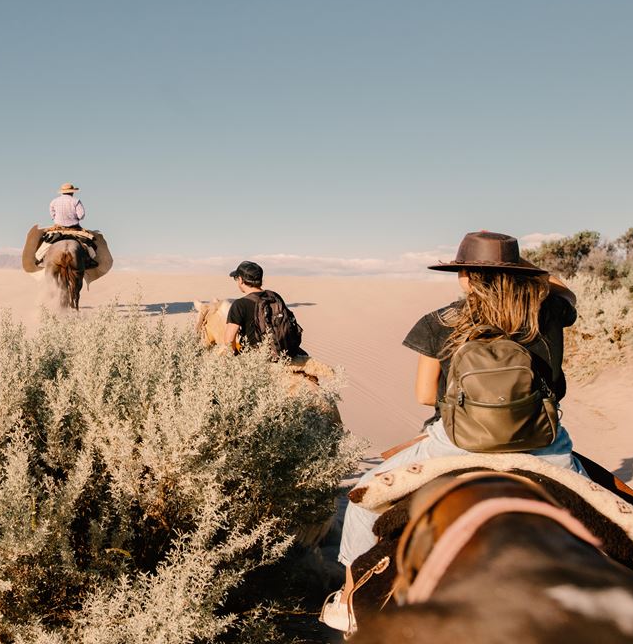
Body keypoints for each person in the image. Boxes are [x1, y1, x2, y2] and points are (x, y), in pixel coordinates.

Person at [320, 230, 586, 633]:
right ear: (516, 271)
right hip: (542, 442)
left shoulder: (440, 320)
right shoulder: (547, 311)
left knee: (362, 500)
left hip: (455, 443)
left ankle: (348, 601)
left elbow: (425, 395)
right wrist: (527, 273)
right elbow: (567, 291)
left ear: (465, 275)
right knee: (600, 509)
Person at [223, 260, 307, 357]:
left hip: (256, 358)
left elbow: (229, 340)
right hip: (283, 353)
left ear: (241, 280)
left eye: (236, 278)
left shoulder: (239, 304)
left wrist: (234, 356)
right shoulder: (275, 296)